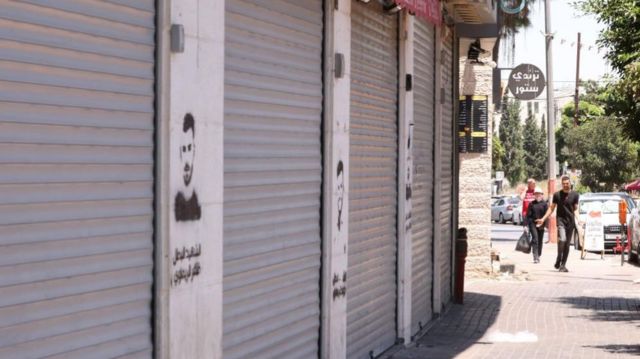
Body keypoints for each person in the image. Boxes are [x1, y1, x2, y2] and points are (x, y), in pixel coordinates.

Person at [537, 176, 580, 272]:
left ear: (570, 183)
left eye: (567, 183)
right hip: (561, 221)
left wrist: (579, 219)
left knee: (567, 244)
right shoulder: (557, 195)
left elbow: (576, 209)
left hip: (571, 222)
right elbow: (551, 208)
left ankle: (562, 265)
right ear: (562, 184)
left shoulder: (575, 195)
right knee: (562, 239)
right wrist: (543, 219)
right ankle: (558, 257)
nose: (565, 185)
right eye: (563, 184)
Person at [526, 187, 548, 263]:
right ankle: (535, 257)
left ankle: (538, 254)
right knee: (535, 239)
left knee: (540, 240)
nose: (537, 195)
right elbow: (528, 215)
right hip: (533, 223)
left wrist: (545, 225)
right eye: (536, 194)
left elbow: (546, 215)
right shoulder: (531, 204)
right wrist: (526, 225)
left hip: (541, 224)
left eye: (539, 194)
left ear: (542, 195)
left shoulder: (545, 204)